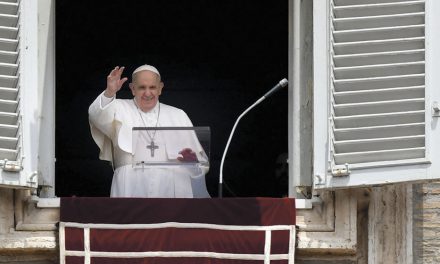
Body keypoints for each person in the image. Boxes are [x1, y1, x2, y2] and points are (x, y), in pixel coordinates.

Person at [88, 65, 210, 198]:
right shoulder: (118, 107)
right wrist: (109, 92)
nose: (147, 93)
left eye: (152, 87)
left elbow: (199, 166)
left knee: (170, 219)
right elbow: (96, 116)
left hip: (172, 188)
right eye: (141, 87)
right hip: (129, 185)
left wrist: (192, 162)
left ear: (160, 88)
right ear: (132, 89)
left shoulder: (178, 115)